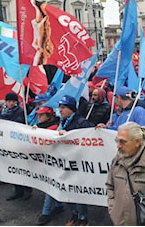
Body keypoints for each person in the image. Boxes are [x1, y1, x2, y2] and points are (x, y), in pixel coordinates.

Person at [106, 122, 145, 225]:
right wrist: (113, 210)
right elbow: (110, 186)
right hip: (120, 222)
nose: (118, 146)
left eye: (123, 142)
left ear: (137, 142)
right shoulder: (117, 160)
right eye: (117, 140)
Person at [58, 95, 93, 226]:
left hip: (77, 162)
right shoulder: (63, 122)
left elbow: (90, 136)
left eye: (63, 107)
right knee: (66, 189)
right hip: (66, 160)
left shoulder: (81, 122)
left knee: (77, 191)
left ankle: (83, 218)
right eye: (60, 107)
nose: (60, 110)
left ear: (71, 109)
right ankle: (75, 214)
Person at [0, 93, 33, 201]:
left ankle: (27, 189)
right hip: (7, 143)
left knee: (21, 167)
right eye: (8, 101)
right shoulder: (3, 111)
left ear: (15, 102)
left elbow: (17, 124)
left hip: (18, 143)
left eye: (12, 101)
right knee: (12, 168)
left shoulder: (20, 112)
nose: (9, 103)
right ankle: (17, 190)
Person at [34, 107, 64, 226]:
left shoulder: (53, 128)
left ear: (48, 116)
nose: (39, 118)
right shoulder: (42, 127)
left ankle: (45, 213)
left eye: (41, 115)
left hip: (53, 160)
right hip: (46, 159)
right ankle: (58, 205)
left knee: (50, 184)